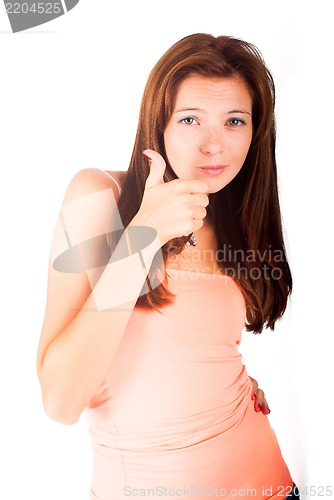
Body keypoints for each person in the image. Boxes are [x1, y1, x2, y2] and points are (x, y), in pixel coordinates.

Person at [37, 33, 300, 499]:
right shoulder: (100, 198)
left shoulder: (234, 216)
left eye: (234, 121)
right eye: (191, 119)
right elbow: (60, 400)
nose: (213, 145)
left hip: (271, 486)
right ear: (157, 124)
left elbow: (190, 344)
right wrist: (145, 235)